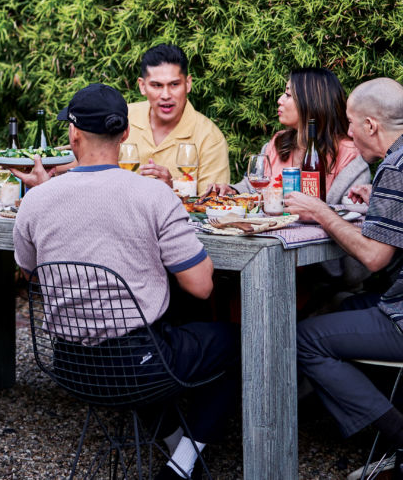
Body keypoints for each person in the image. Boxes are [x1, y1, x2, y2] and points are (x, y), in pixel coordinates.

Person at [13, 83, 240, 480]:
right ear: (125, 135)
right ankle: (183, 464)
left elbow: (30, 274)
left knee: (155, 342)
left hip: (67, 364)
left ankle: (175, 449)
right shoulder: (153, 195)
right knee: (233, 341)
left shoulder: (35, 200)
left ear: (73, 133)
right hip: (139, 365)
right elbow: (201, 286)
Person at [285, 78, 403, 480]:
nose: (346, 131)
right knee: (344, 308)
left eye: (350, 122)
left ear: (371, 126)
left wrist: (322, 212)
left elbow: (374, 257)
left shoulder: (397, 166)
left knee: (302, 339)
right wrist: (376, 201)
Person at [208, 67, 370, 205]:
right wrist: (232, 190)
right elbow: (253, 188)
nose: (279, 100)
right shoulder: (277, 143)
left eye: (288, 95)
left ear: (312, 102)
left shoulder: (350, 157)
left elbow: (350, 214)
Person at [126, 44, 230, 194]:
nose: (166, 95)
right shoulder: (123, 118)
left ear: (188, 84)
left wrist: (171, 190)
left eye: (174, 84)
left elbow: (210, 208)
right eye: (156, 85)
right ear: (142, 86)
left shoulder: (210, 137)